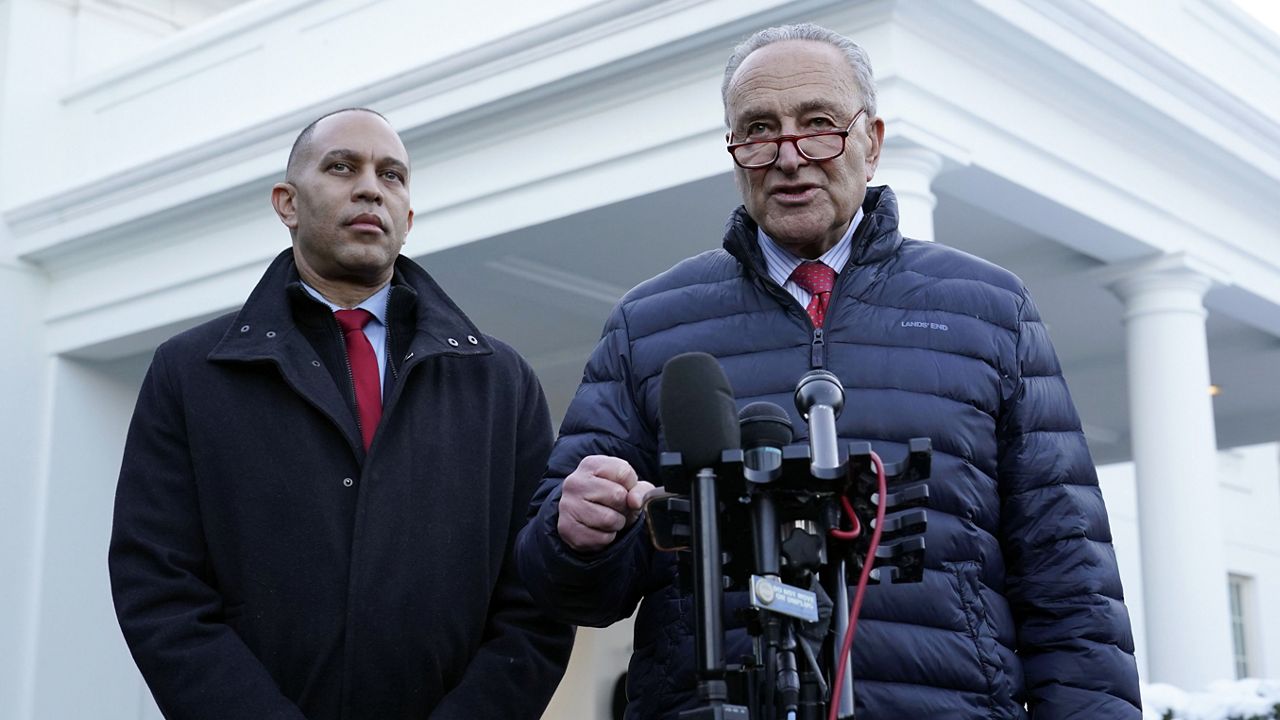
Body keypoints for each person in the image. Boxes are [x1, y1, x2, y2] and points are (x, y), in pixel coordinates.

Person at [515, 24, 1141, 719]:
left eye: (818, 125)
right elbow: (567, 587)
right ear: (734, 155)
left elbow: (1069, 576)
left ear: (871, 141)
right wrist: (575, 534)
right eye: (758, 130)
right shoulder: (647, 324)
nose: (790, 157)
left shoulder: (992, 310)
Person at [109, 108, 573, 720]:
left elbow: (536, 599)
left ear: (407, 217)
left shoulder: (501, 381)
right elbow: (159, 587)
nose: (370, 188)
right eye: (341, 167)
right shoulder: (190, 373)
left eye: (392, 175)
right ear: (287, 203)